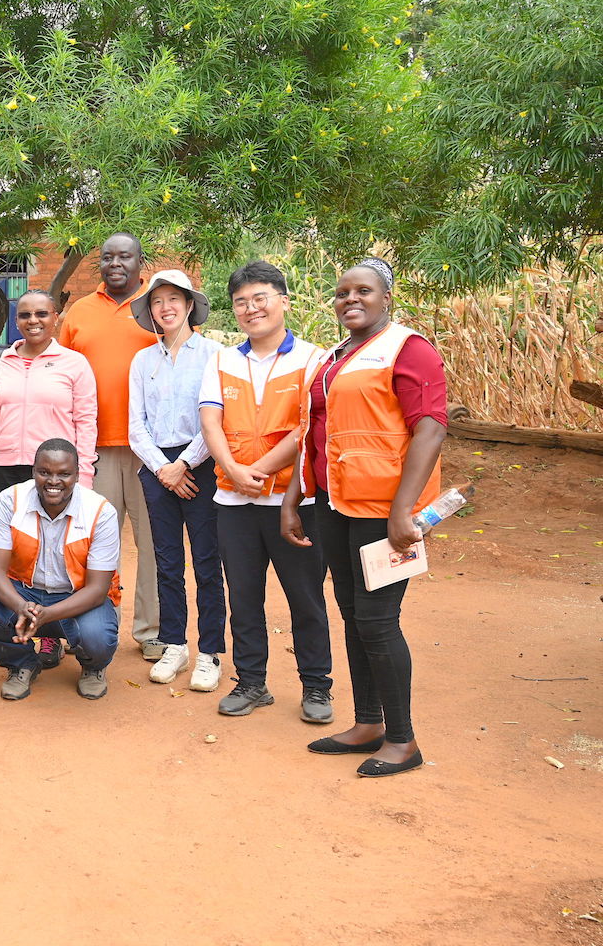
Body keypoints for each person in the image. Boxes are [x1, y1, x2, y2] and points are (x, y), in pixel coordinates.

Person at [282, 257, 446, 777]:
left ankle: (403, 740)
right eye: (342, 293)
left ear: (386, 298)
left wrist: (404, 510)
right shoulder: (335, 357)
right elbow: (315, 434)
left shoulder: (409, 349)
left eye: (363, 291)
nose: (350, 299)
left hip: (382, 512)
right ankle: (369, 723)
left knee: (378, 621)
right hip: (335, 504)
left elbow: (431, 429)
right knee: (353, 612)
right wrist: (295, 497)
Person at [199, 261, 335, 723]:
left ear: (284, 301)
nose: (251, 308)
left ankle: (317, 687)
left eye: (260, 298)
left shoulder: (314, 359)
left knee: (306, 597)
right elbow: (210, 421)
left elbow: (306, 427)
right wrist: (232, 471)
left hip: (294, 504)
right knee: (244, 597)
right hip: (233, 502)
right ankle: (252, 683)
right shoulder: (222, 360)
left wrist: (253, 469)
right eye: (241, 302)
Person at [58, 232, 164, 660]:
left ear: (140, 262)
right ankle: (93, 628)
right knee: (91, 544)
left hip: (150, 453)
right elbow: (60, 372)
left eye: (125, 256)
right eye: (107, 257)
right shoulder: (80, 312)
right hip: (93, 453)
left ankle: (151, 630)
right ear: (99, 264)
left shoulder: (159, 310)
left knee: (155, 545)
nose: (115, 263)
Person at [126, 271, 227, 691]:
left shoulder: (214, 355)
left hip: (201, 463)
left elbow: (215, 419)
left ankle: (210, 652)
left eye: (173, 299)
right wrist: (163, 470)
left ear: (189, 305)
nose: (165, 308)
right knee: (166, 562)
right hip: (155, 469)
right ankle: (174, 645)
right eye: (156, 301)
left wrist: (184, 464)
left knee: (206, 562)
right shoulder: (142, 361)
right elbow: (136, 427)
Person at [0, 439, 121, 701]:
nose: (53, 481)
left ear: (77, 474)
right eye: (45, 472)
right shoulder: (10, 500)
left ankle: (92, 667)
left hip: (77, 597)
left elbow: (97, 590)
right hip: (24, 593)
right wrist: (19, 606)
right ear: (33, 471)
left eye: (64, 474)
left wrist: (47, 614)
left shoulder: (100, 511)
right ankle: (22, 663)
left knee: (97, 637)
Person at [0, 288, 97, 498]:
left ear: (55, 318)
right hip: (3, 469)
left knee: (53, 531)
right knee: (8, 530)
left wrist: (84, 474)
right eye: (25, 315)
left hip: (55, 470)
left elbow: (86, 423)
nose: (33, 320)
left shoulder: (75, 363)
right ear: (16, 321)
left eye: (41, 314)